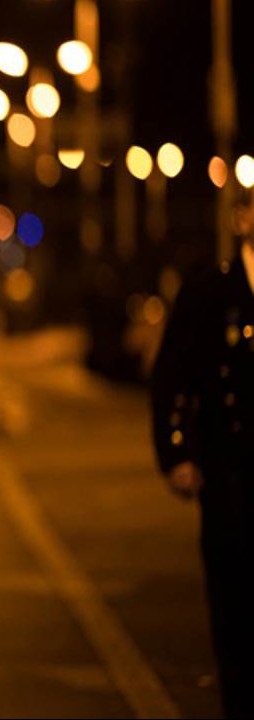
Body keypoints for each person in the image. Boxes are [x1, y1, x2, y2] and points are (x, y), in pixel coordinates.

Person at [151, 188, 254, 719]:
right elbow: (171, 380)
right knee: (236, 609)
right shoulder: (209, 293)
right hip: (231, 476)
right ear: (242, 218)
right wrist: (177, 454)